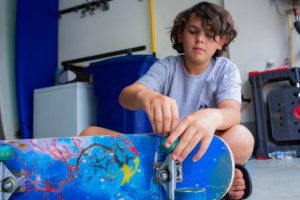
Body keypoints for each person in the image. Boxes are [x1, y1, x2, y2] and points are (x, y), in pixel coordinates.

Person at [81, 2, 254, 199]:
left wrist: (212, 117)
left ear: (221, 42)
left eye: (209, 33)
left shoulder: (226, 69)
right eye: (193, 31)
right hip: (162, 152)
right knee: (89, 134)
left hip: (199, 153)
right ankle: (210, 183)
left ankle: (193, 180)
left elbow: (232, 113)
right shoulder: (166, 67)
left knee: (243, 138)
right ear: (180, 34)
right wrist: (146, 95)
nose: (200, 39)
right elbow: (126, 96)